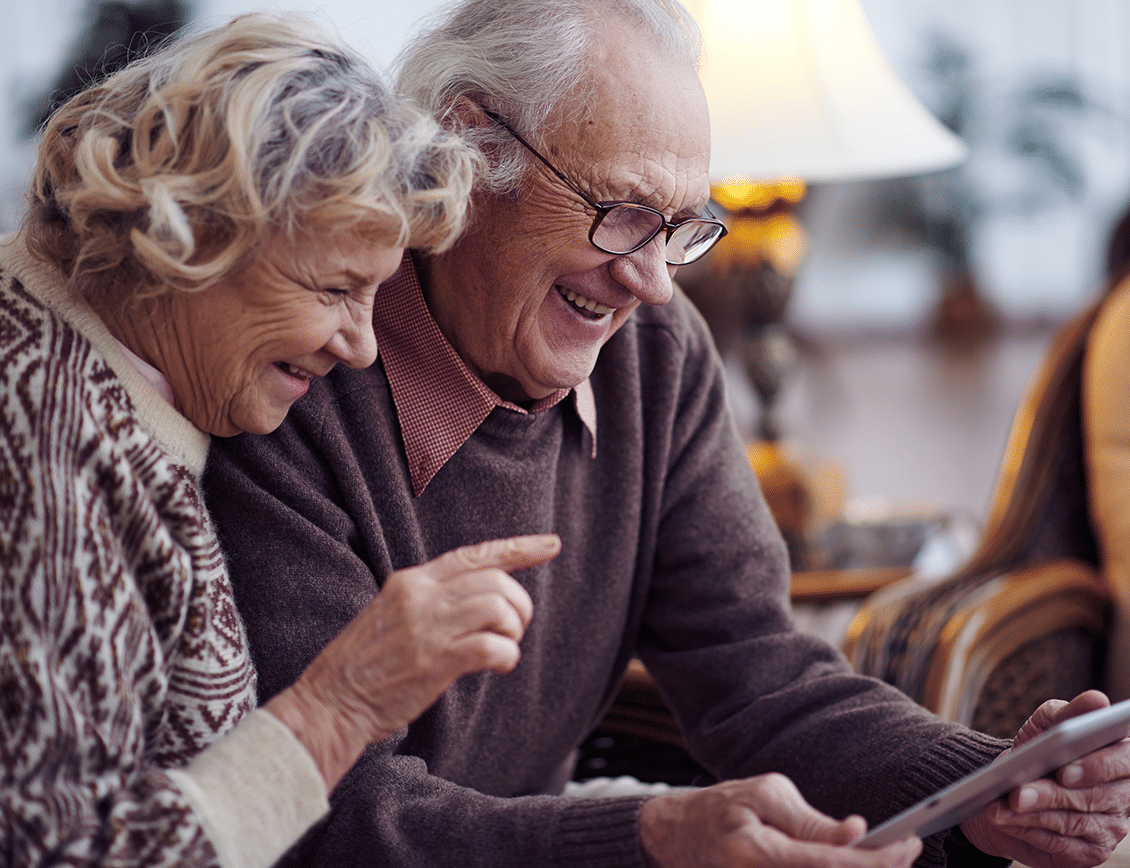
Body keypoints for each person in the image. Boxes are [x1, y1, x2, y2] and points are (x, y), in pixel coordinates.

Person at [203, 1, 1130, 866]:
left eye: (681, 228)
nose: (650, 282)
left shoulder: (653, 349)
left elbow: (759, 676)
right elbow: (324, 813)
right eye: (622, 215)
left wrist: (982, 781)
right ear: (467, 147)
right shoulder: (291, 377)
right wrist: (643, 838)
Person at [0, 13, 561, 868]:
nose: (361, 345)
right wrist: (339, 707)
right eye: (336, 288)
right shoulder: (44, 447)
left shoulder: (125, 382)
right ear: (190, 233)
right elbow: (62, 853)